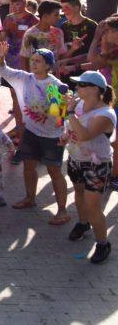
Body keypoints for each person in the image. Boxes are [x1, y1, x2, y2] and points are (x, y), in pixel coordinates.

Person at [0, 42, 69, 224]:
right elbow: (1, 69)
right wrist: (1, 56)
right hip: (31, 132)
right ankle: (30, 198)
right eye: (33, 60)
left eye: (38, 61)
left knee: (54, 172)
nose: (33, 63)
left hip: (52, 137)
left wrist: (57, 112)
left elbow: (61, 116)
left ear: (48, 66)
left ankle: (62, 211)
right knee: (28, 167)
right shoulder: (24, 78)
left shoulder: (57, 86)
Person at [64, 70, 115, 264]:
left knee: (93, 206)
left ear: (95, 89)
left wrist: (69, 113)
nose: (77, 88)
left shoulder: (106, 115)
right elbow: (72, 128)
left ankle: (102, 243)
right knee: (78, 193)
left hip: (97, 165)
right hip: (76, 159)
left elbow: (85, 135)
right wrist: (65, 135)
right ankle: (83, 223)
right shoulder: (79, 104)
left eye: (81, 85)